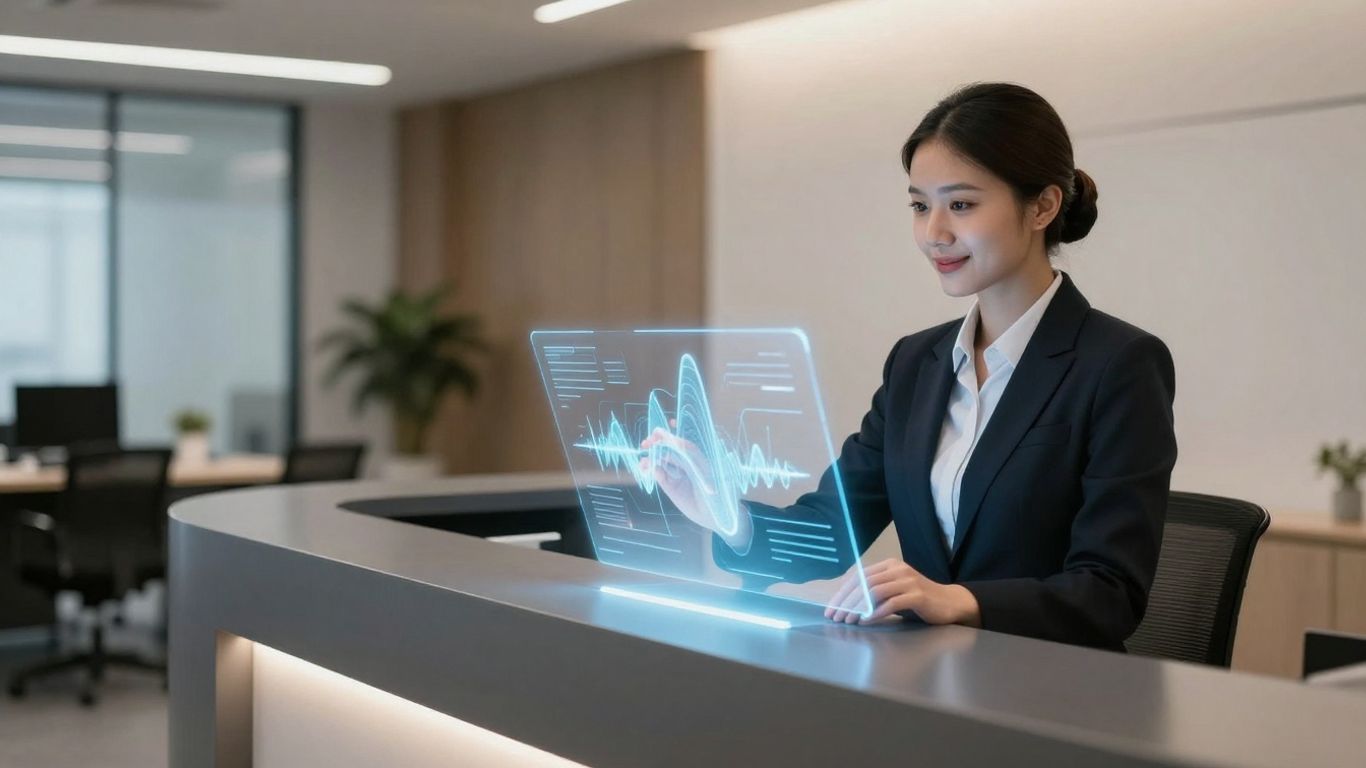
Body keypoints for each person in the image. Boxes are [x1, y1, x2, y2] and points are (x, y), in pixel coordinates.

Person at [641, 82, 1177, 652]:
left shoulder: (1118, 363)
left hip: (1053, 694)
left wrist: (959, 600)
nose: (933, 234)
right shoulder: (915, 364)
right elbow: (831, 531)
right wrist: (723, 513)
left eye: (962, 205)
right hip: (929, 683)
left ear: (1043, 206)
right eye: (921, 206)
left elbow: (1110, 593)